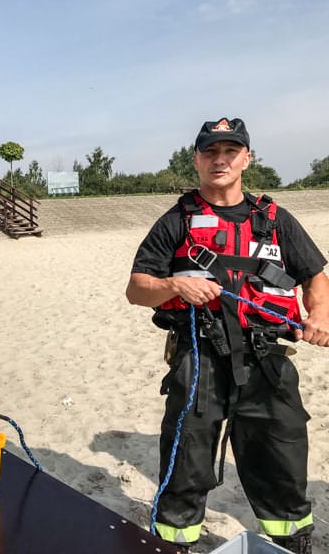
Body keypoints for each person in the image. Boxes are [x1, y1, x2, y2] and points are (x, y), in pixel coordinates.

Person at [126, 117, 329, 554]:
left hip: (267, 361)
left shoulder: (275, 219)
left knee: (281, 461)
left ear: (246, 159)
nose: (220, 160)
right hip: (199, 358)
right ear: (197, 159)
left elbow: (316, 278)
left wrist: (321, 317)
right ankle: (176, 544)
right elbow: (136, 289)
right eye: (210, 152)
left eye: (230, 152)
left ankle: (291, 543)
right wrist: (175, 284)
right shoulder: (176, 220)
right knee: (186, 464)